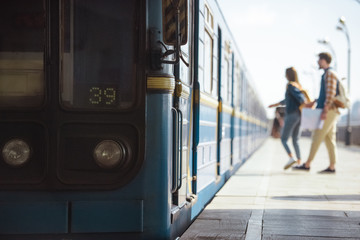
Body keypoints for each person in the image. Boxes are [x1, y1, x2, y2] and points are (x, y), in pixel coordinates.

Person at [293, 52, 339, 173]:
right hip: (331, 110)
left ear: (324, 60)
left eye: (319, 59)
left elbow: (330, 93)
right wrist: (316, 101)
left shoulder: (329, 74)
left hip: (328, 111)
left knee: (317, 136)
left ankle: (307, 164)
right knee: (329, 139)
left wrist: (325, 109)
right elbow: (326, 94)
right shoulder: (327, 74)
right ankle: (332, 166)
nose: (318, 62)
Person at [269, 67, 305, 170]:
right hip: (299, 116)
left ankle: (291, 158)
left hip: (292, 115)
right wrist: (275, 104)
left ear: (288, 75)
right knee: (295, 140)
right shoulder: (298, 86)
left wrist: (303, 102)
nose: (285, 76)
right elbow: (288, 100)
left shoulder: (290, 86)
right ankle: (298, 162)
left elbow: (300, 99)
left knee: (283, 138)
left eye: (286, 74)